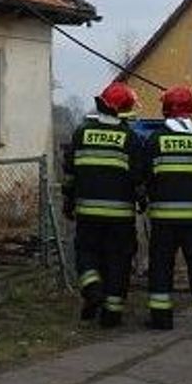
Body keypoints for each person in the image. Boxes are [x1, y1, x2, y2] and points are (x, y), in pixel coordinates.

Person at [140, 85, 192, 332]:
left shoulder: (155, 140)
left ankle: (161, 319)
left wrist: (143, 198)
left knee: (161, 267)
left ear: (167, 110)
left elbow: (143, 178)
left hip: (163, 221)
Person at [60, 82, 145, 327]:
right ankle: (112, 314)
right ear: (123, 109)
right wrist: (142, 199)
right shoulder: (130, 138)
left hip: (87, 213)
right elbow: (138, 177)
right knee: (118, 261)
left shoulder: (81, 133)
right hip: (120, 217)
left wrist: (68, 200)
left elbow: (70, 173)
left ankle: (92, 288)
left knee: (86, 254)